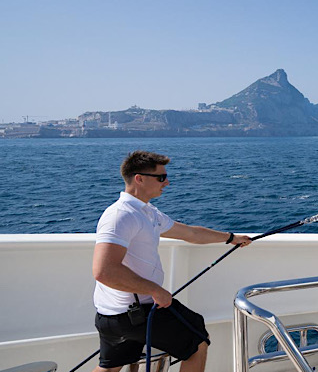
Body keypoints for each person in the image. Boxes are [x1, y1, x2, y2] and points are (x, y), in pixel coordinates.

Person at [91, 150, 252, 372]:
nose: (166, 183)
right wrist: (155, 290)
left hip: (114, 315)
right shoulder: (121, 216)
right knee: (197, 343)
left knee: (111, 367)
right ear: (139, 179)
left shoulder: (147, 212)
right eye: (161, 177)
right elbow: (104, 271)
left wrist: (231, 238)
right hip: (135, 314)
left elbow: (190, 233)